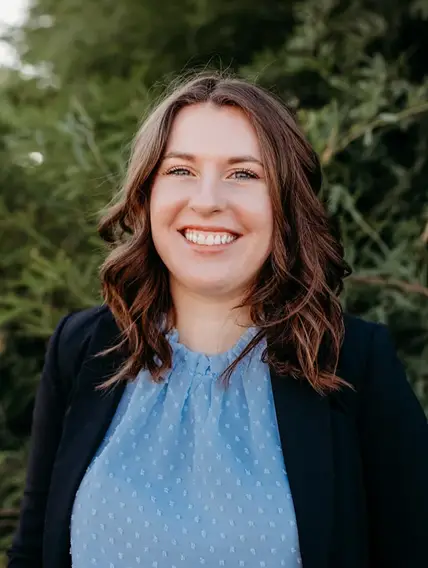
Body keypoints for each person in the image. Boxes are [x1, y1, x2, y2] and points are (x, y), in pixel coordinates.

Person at [7, 72, 428, 568]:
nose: (207, 201)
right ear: (146, 195)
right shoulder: (82, 348)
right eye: (180, 170)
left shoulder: (355, 362)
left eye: (244, 174)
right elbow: (34, 546)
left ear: (285, 206)